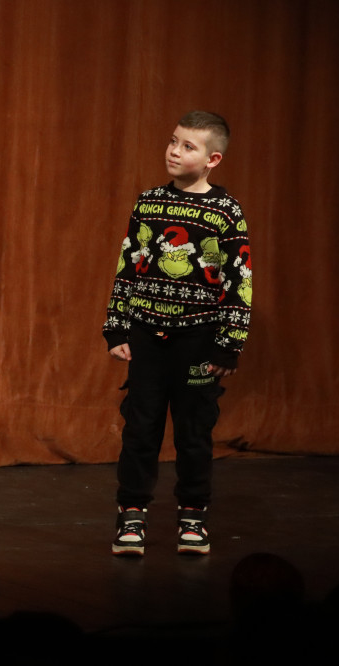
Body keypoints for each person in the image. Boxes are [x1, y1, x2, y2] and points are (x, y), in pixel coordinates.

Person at [102, 111, 251, 556]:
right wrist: (116, 326)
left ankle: (193, 516)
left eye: (188, 146)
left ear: (213, 159)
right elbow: (128, 265)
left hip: (199, 342)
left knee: (193, 430)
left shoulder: (226, 212)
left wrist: (229, 343)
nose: (174, 150)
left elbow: (239, 279)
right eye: (173, 141)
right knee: (140, 427)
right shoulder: (148, 202)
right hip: (147, 335)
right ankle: (131, 513)